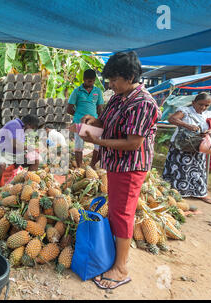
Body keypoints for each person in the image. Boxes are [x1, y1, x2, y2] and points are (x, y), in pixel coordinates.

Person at [79, 51, 161, 290]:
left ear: (131, 76)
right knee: (116, 210)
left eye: (114, 80)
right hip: (116, 164)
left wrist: (98, 143)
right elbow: (106, 122)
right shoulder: (118, 97)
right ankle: (115, 256)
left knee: (123, 213)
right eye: (110, 80)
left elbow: (133, 143)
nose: (111, 85)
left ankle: (121, 268)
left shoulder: (143, 103)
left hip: (131, 166)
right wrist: (93, 121)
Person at [162, 92, 211, 204]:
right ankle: (177, 194)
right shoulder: (185, 111)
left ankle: (200, 193)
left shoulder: (209, 114)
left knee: (197, 171)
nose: (203, 107)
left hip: (198, 146)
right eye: (200, 104)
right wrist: (188, 126)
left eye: (206, 105)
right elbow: (172, 119)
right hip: (182, 146)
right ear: (193, 103)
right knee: (180, 170)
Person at [67, 69, 104, 169]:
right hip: (79, 123)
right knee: (79, 146)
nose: (91, 83)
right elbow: (69, 108)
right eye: (88, 81)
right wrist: (78, 116)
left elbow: (100, 108)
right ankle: (79, 167)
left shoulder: (98, 91)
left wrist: (99, 120)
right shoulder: (77, 91)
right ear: (83, 80)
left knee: (98, 145)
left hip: (94, 123)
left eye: (92, 81)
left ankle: (92, 166)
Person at [0, 115, 40, 192]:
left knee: (35, 160)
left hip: (15, 155)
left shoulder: (22, 130)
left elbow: (19, 147)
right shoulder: (15, 124)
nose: (31, 131)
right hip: (2, 152)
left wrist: (27, 152)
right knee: (1, 165)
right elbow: (14, 144)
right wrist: (28, 148)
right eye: (32, 128)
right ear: (29, 124)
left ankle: (28, 187)